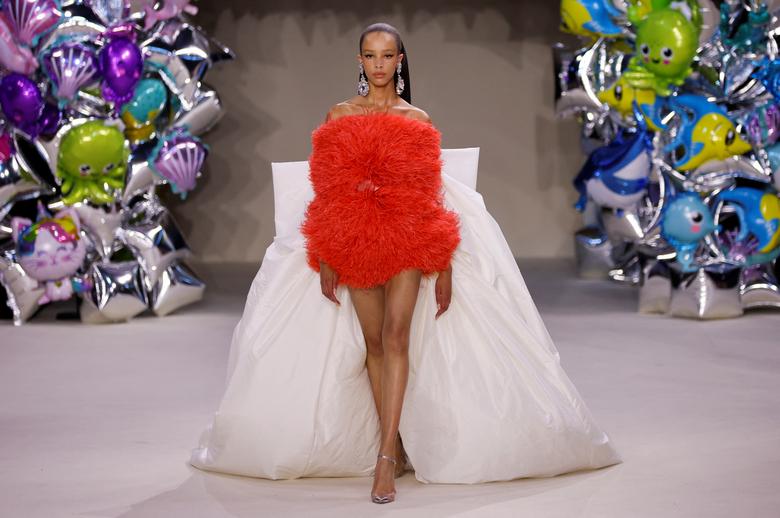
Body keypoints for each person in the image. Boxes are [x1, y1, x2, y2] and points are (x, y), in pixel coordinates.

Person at [190, 22, 622, 505]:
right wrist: (325, 252)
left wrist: (445, 264)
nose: (379, 64)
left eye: (387, 55)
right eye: (370, 55)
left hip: (408, 237)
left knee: (396, 336)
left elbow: (429, 196)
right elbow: (328, 191)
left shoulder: (417, 119)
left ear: (400, 61)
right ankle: (392, 441)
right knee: (374, 344)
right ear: (359, 61)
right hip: (355, 238)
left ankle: (384, 462)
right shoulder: (338, 115)